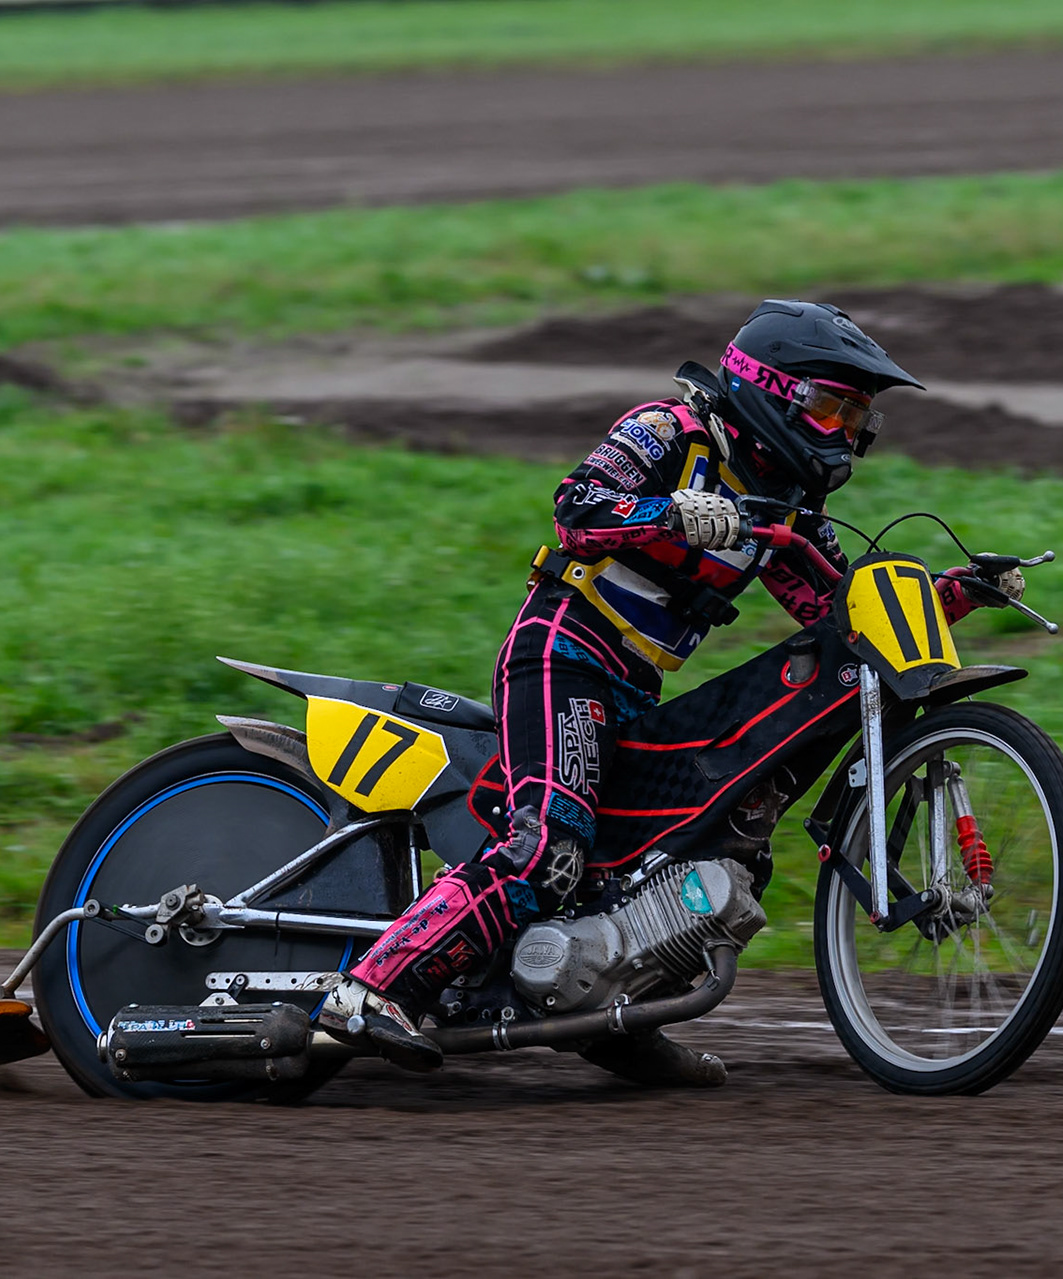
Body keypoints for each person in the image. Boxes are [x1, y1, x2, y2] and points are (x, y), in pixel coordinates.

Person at [321, 299, 958, 1084]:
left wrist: (954, 593)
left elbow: (834, 603)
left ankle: (603, 1019)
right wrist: (676, 514)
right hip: (565, 651)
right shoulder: (669, 428)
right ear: (770, 390)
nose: (844, 431)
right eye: (832, 405)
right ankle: (368, 990)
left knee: (698, 850)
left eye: (856, 415)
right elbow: (576, 508)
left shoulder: (789, 503)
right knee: (546, 851)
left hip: (635, 685)